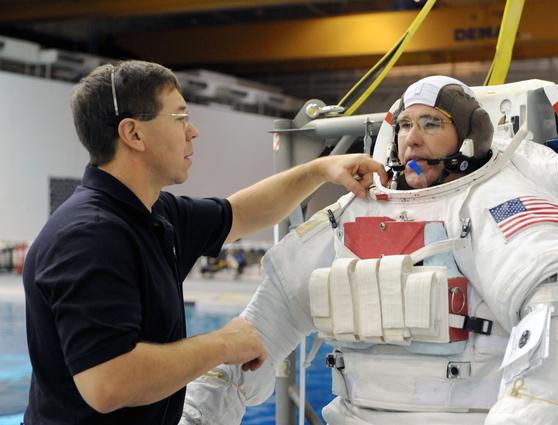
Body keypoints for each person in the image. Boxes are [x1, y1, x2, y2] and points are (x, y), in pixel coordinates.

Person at [180, 76, 558, 425]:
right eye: (406, 125)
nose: (412, 138)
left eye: (431, 124)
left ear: (469, 138)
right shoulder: (353, 212)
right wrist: (196, 415)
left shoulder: (498, 201)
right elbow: (255, 333)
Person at [21, 60, 388, 425]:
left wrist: (321, 170)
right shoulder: (90, 236)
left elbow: (241, 213)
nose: (192, 132)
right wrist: (222, 344)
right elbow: (107, 382)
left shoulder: (152, 213)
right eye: (180, 118)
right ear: (134, 134)